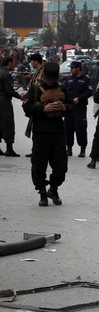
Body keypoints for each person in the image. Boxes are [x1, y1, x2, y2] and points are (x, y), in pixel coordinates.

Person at [22, 62, 73, 206]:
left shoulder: (62, 88)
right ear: (44, 76)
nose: (51, 81)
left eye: (53, 79)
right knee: (39, 164)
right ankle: (42, 193)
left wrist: (64, 107)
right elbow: (27, 107)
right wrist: (44, 109)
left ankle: (53, 189)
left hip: (58, 132)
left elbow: (71, 105)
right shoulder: (36, 89)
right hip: (41, 132)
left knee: (61, 167)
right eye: (49, 78)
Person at [64, 61, 93, 157]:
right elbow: (63, 90)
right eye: (71, 68)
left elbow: (89, 92)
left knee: (80, 128)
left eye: (72, 68)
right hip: (69, 108)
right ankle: (69, 148)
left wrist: (79, 99)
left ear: (78, 68)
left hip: (80, 108)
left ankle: (82, 149)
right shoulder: (68, 79)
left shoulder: (85, 79)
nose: (71, 69)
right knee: (68, 128)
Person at [0, 57, 21, 157]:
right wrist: (20, 96)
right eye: (13, 63)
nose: (14, 65)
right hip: (4, 102)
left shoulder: (0, 72)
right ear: (9, 63)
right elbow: (9, 91)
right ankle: (9, 148)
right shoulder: (6, 74)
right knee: (8, 124)